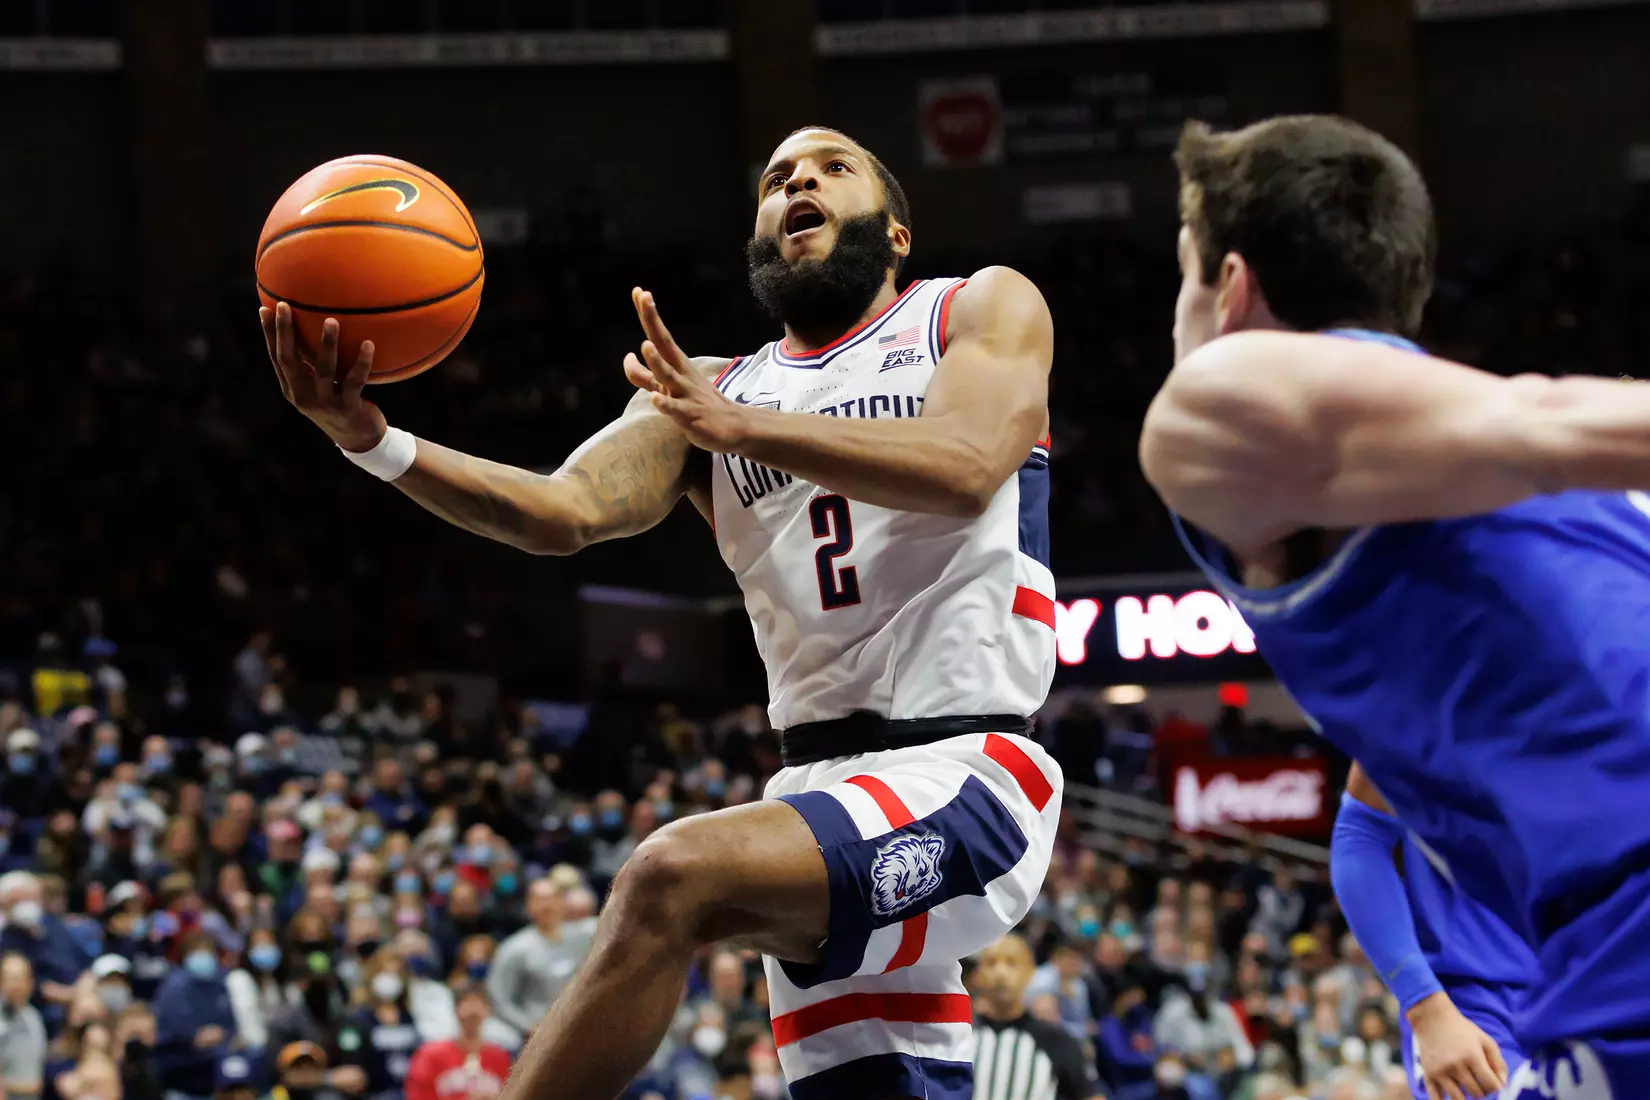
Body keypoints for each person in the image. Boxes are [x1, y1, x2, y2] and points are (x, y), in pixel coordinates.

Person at [263, 122, 1063, 1100]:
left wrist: (741, 426)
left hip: (967, 771)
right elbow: (560, 512)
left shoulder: (973, 309)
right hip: (815, 794)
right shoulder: (712, 391)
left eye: (830, 168)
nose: (796, 181)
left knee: (670, 875)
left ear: (896, 233)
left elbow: (971, 465)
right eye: (775, 179)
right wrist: (373, 440)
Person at [1137, 111, 1650, 1095]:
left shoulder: (1211, 404)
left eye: (1183, 274)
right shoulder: (1540, 487)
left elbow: (1541, 418)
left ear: (1229, 288)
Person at [1331, 763, 1530, 1100]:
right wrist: (1426, 1007)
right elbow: (1362, 830)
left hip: (1605, 983)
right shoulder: (1415, 710)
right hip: (1477, 1003)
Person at [972, 935, 1102, 1100]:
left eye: (1011, 963)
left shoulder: (1055, 1041)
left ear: (1030, 972)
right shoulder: (959, 1037)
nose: (1000, 973)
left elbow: (1090, 1094)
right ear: (978, 975)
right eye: (991, 963)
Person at [484, 880, 590, 1040]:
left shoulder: (585, 936)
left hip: (579, 1025)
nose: (547, 906)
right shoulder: (514, 949)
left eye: (552, 898)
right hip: (535, 1033)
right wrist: (530, 1028)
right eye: (539, 899)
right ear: (529, 906)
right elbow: (499, 999)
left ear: (562, 902)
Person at [151, 931, 236, 1100]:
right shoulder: (172, 988)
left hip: (218, 1081)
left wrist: (225, 1034)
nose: (203, 957)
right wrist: (193, 1036)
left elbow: (233, 1025)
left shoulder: (223, 984)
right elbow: (168, 1029)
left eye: (207, 952)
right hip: (181, 1079)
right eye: (197, 951)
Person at [402, 985, 510, 1100]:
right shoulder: (430, 1055)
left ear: (488, 1011)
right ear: (455, 1009)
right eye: (467, 1004)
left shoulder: (499, 1057)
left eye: (478, 1005)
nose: (472, 1010)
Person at [0, 953, 47, 1100]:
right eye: (9, 978)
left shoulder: (34, 1017)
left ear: (30, 982)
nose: (15, 984)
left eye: (20, 977)